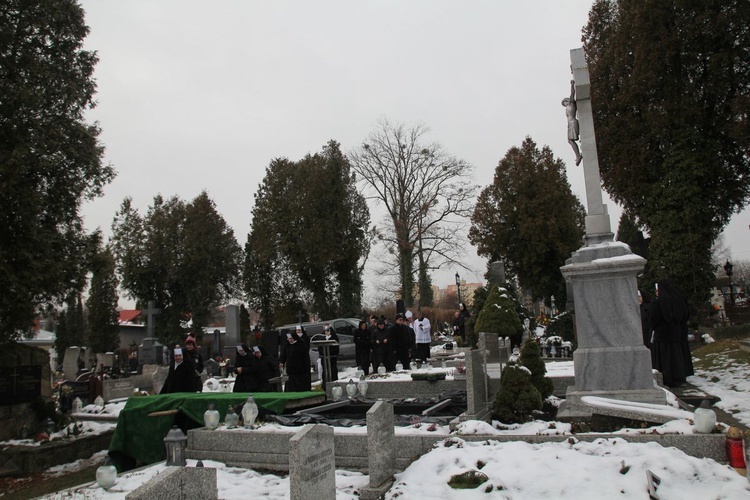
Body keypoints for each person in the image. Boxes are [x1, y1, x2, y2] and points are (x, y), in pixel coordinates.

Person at [649, 278, 694, 387]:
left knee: (665, 359)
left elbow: (653, 318)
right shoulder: (679, 300)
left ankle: (667, 378)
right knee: (676, 357)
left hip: (662, 335)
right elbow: (685, 315)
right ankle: (679, 376)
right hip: (677, 334)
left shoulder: (659, 302)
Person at [279, 328, 311, 392]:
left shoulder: (301, 345)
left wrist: (307, 368)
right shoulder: (287, 346)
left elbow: (306, 358)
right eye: (288, 339)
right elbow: (284, 355)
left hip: (300, 370)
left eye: (290, 338)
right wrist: (281, 362)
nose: (289, 340)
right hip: (291, 371)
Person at [562, 79, 583, 166]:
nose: (564, 104)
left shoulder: (571, 103)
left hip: (573, 122)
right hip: (570, 124)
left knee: (570, 140)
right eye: (563, 104)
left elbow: (572, 93)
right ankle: (577, 156)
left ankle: (578, 156)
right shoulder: (568, 107)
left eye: (565, 102)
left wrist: (572, 85)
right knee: (569, 141)